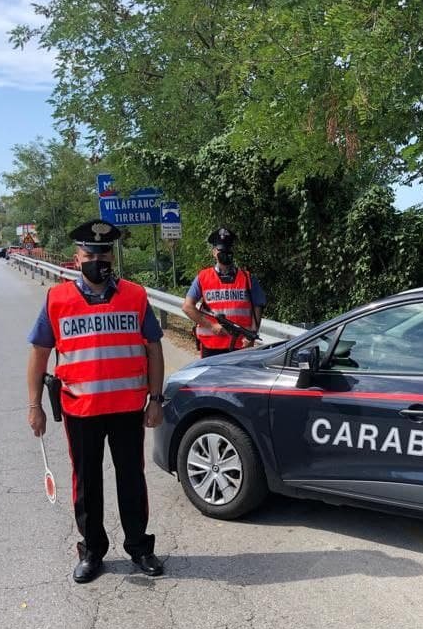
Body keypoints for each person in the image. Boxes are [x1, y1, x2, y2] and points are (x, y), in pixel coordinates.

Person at [26, 219, 165, 583]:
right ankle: (92, 551)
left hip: (127, 409)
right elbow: (40, 354)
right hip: (80, 410)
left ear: (112, 256)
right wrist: (34, 405)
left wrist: (156, 399)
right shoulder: (57, 300)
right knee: (87, 483)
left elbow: (154, 348)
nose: (98, 260)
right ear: (76, 258)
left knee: (131, 479)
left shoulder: (135, 296)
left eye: (104, 253)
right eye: (90, 253)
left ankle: (139, 547)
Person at [182, 227, 266, 358]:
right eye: (221, 250)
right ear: (214, 252)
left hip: (241, 345)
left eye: (228, 249)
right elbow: (187, 307)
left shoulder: (247, 278)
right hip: (210, 346)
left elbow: (258, 306)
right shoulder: (203, 277)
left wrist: (252, 334)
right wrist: (211, 326)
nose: (225, 253)